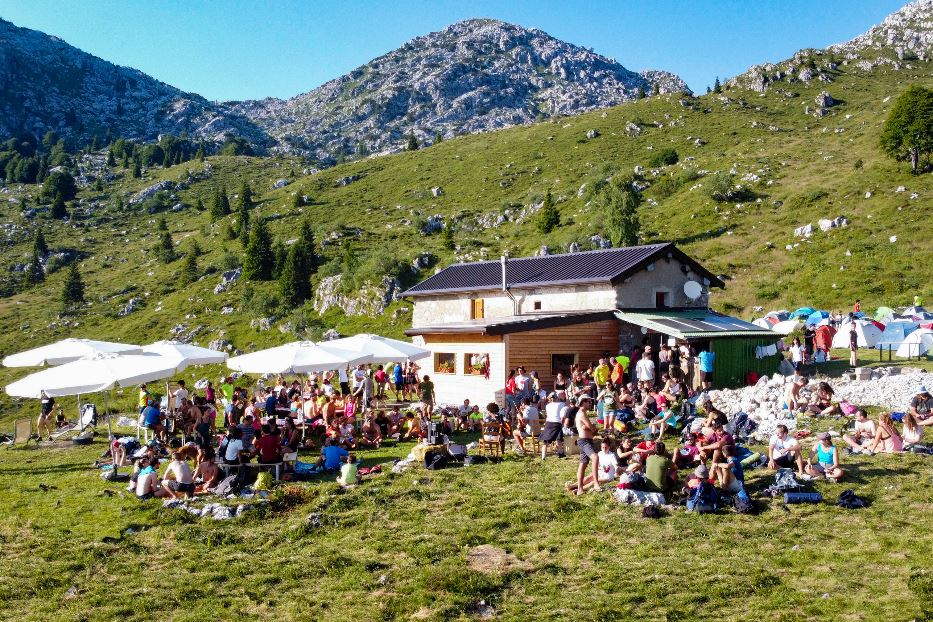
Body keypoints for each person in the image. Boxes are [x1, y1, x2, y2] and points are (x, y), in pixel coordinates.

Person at [573, 397, 600, 495]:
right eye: (588, 402)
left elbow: (589, 428)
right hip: (584, 441)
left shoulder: (582, 413)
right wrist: (592, 427)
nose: (590, 403)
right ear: (583, 402)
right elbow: (593, 429)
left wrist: (589, 427)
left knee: (583, 464)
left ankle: (580, 489)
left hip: (586, 440)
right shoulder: (582, 414)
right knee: (595, 457)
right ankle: (596, 483)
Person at [539, 392, 566, 460]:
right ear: (557, 398)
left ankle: (543, 456)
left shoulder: (547, 405)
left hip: (549, 423)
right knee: (559, 438)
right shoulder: (561, 404)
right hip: (557, 423)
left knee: (546, 441)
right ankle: (560, 452)